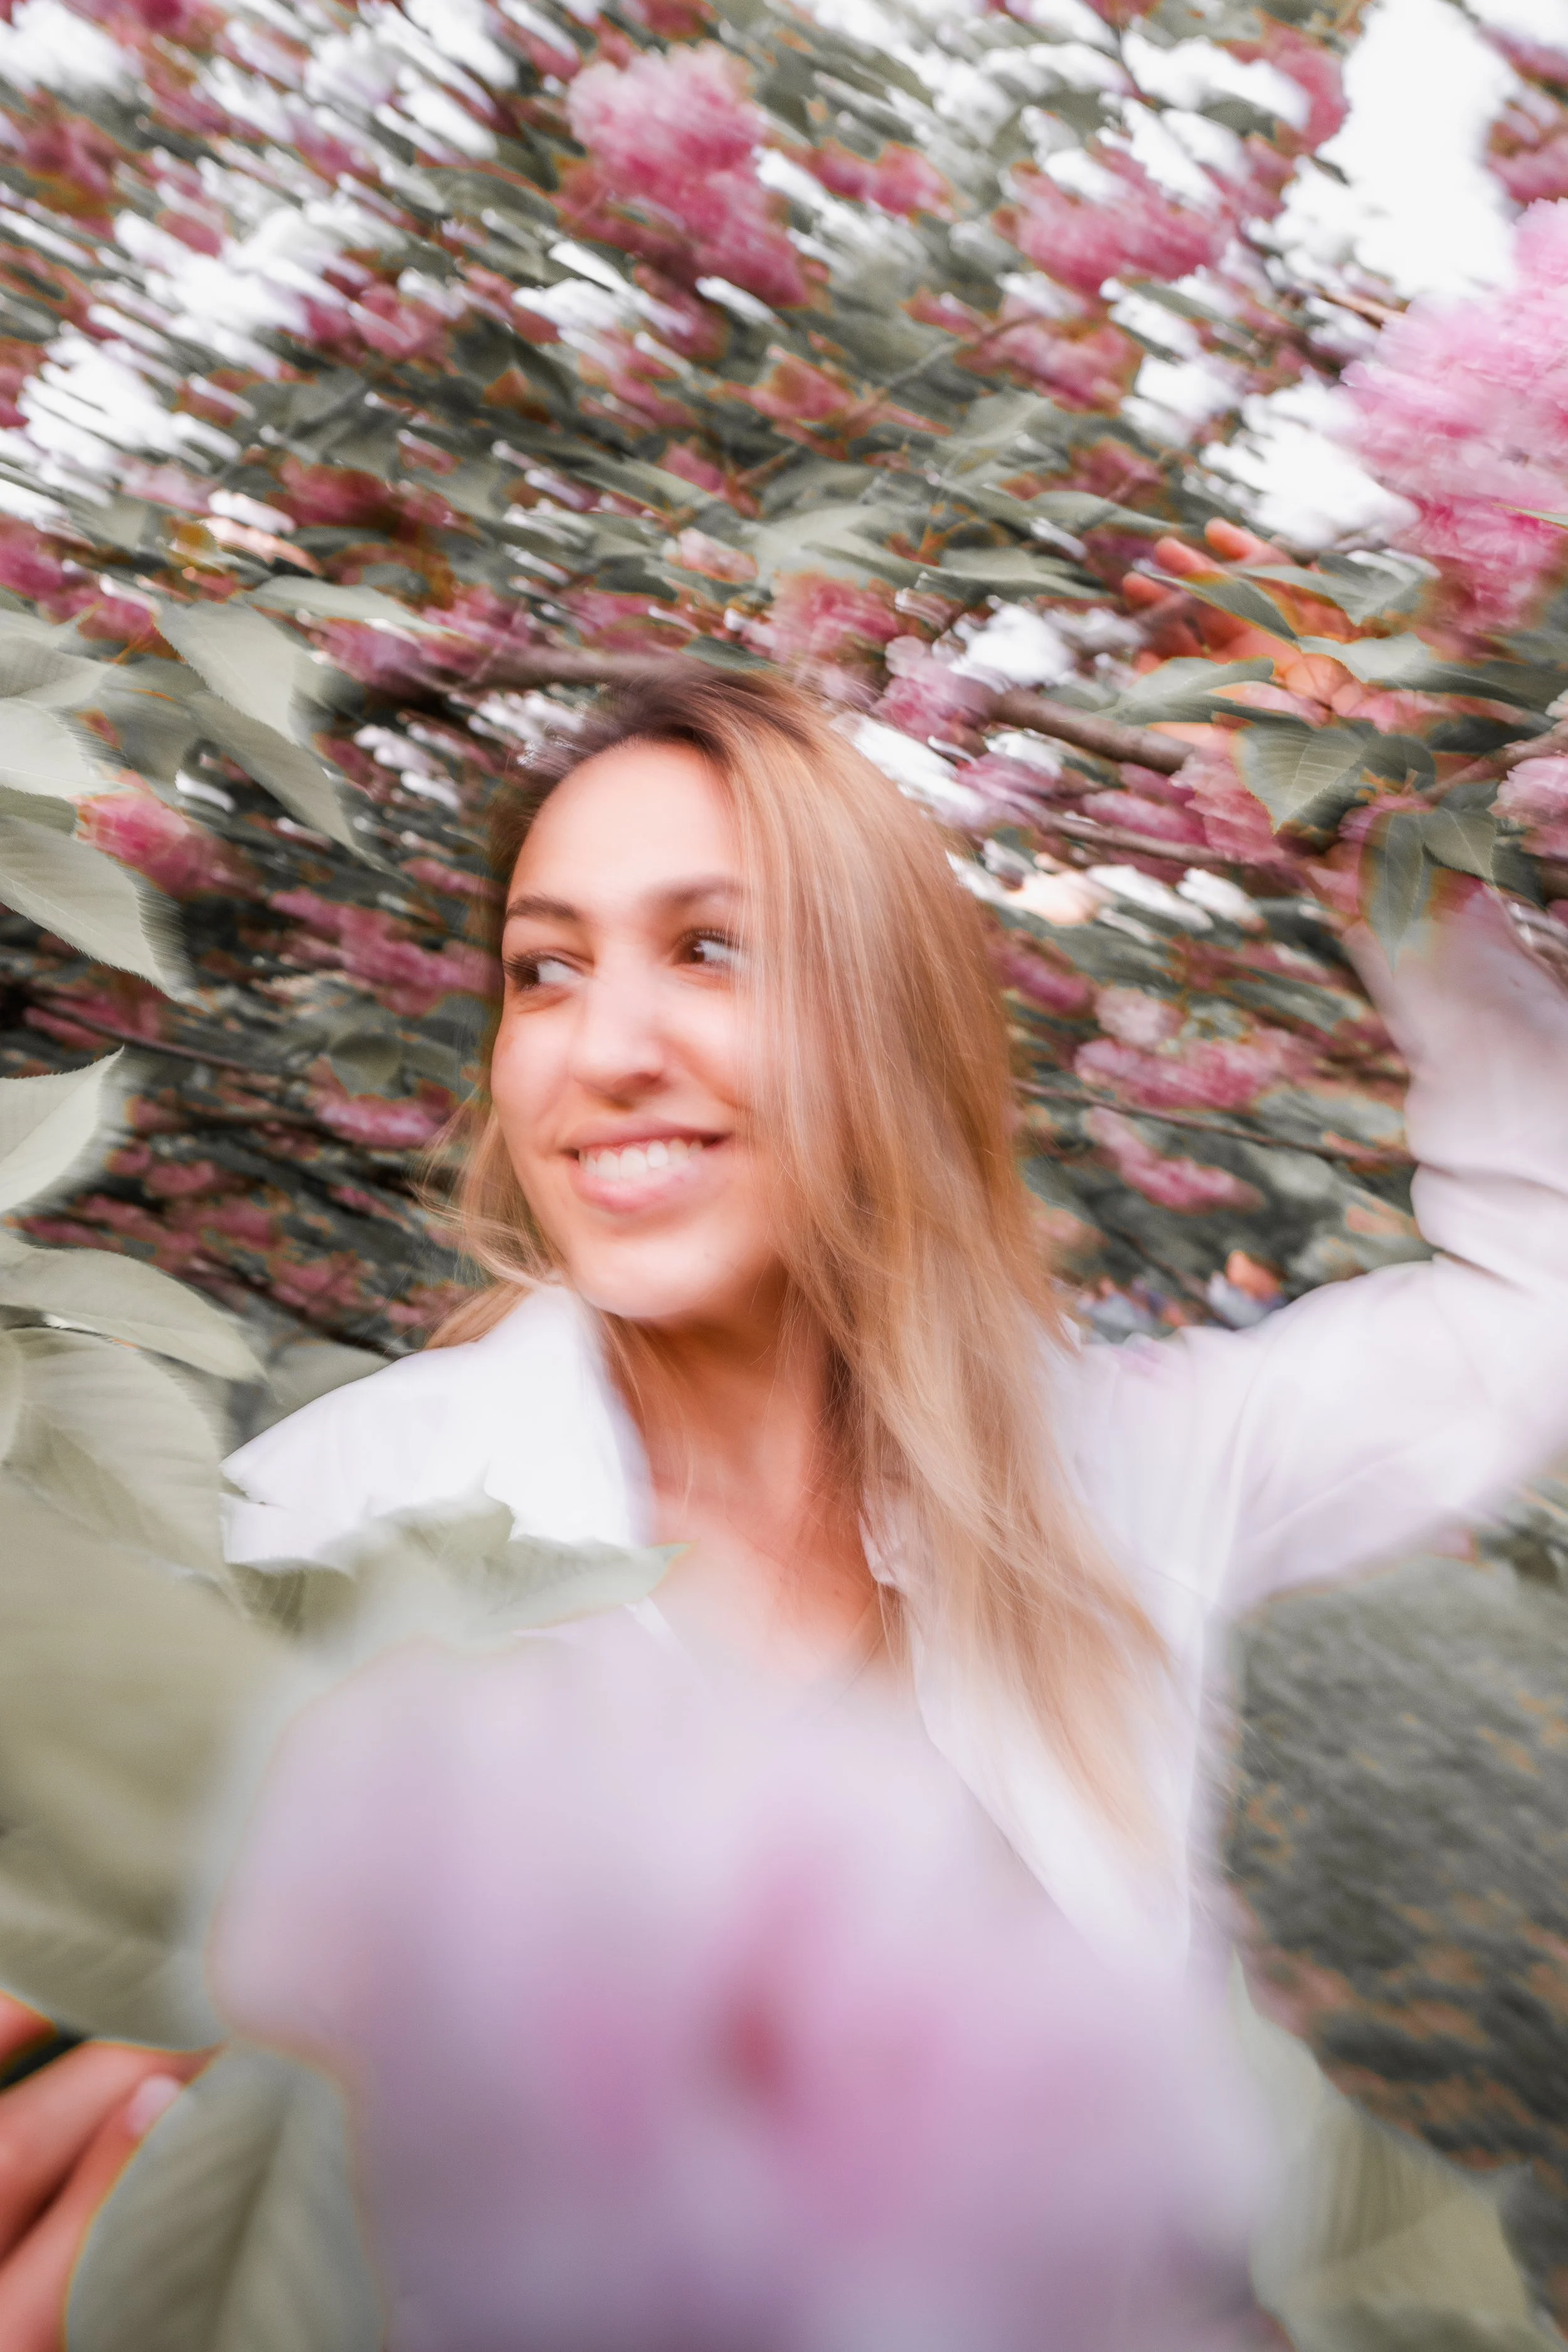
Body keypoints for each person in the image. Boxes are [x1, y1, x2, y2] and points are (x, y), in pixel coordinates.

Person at [8, 655, 1568, 2343]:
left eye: (709, 949)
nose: (604, 1050)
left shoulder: (1108, 1470)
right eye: (543, 971)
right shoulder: (324, 1529)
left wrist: (1386, 854)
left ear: (882, 1015)